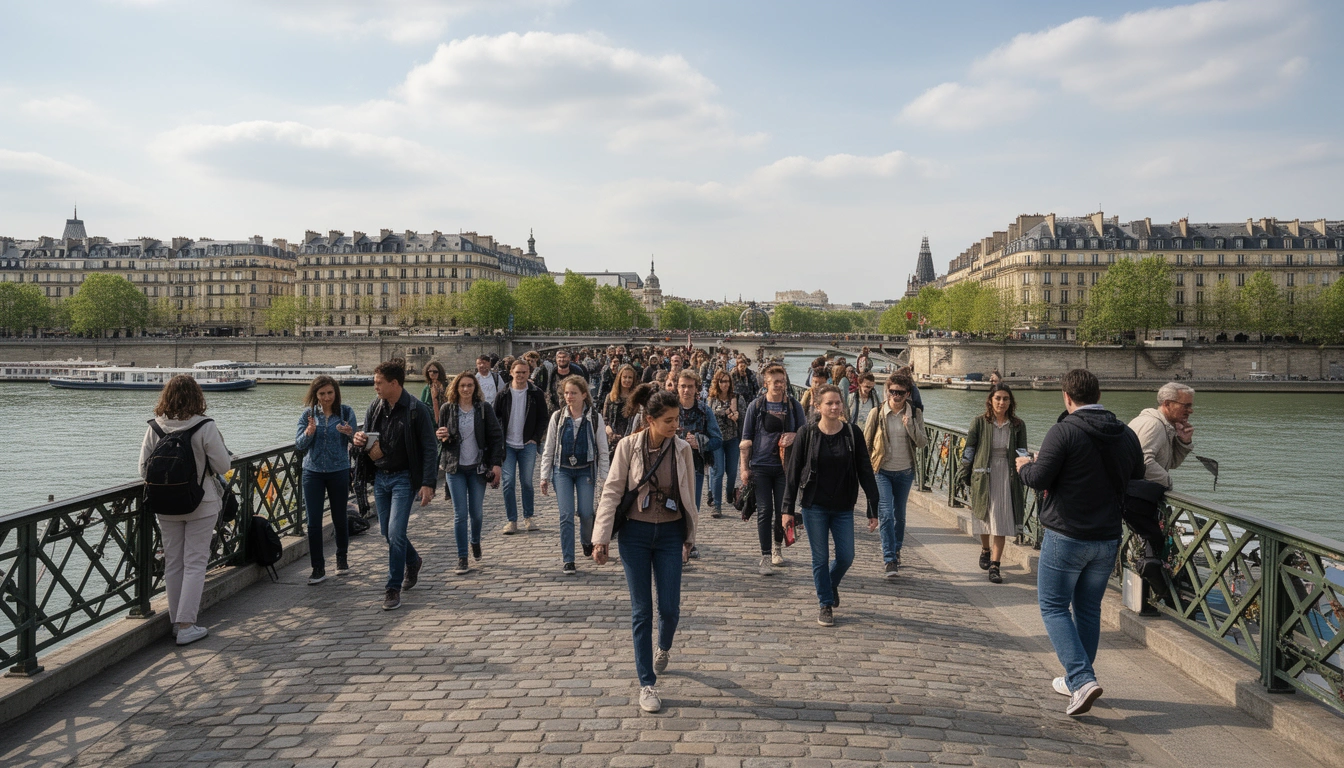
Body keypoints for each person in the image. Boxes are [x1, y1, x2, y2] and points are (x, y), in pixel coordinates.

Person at [1017, 368, 1143, 716]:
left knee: (1053, 607)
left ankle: (1081, 678)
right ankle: (1079, 681)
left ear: (1066, 397)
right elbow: (1137, 478)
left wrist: (1025, 466)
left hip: (1067, 534)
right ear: (1099, 396)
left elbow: (1040, 478)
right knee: (1087, 610)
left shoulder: (1064, 431)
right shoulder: (1126, 434)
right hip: (1107, 538)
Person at [592, 384, 698, 714]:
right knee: (642, 611)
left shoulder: (682, 450)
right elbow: (611, 492)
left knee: (669, 608)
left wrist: (689, 538)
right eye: (668, 420)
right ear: (650, 420)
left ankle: (664, 646)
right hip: (635, 535)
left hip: (669, 533)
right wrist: (601, 538)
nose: (675, 426)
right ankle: (646, 683)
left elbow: (690, 497)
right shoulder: (627, 447)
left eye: (677, 419)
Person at [139, 374, 231, 646]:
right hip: (201, 503)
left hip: (165, 505)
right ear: (197, 396)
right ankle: (187, 624)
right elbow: (223, 466)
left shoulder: (154, 427)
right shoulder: (205, 425)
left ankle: (175, 623)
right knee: (195, 563)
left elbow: (143, 469)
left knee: (174, 563)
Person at [782, 385, 879, 626]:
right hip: (814, 506)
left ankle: (829, 584)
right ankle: (825, 603)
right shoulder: (807, 433)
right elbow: (793, 474)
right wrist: (786, 510)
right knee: (820, 558)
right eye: (829, 403)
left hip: (843, 506)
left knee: (846, 556)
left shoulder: (852, 433)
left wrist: (872, 508)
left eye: (838, 402)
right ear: (818, 407)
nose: (835, 407)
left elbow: (865, 471)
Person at [353, 358, 438, 611]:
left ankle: (392, 587)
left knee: (396, 533)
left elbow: (430, 448)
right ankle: (413, 561)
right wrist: (359, 438)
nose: (375, 387)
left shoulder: (416, 409)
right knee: (386, 533)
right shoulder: (375, 407)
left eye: (379, 383)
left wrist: (427, 483)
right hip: (380, 477)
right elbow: (367, 438)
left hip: (403, 478)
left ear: (394, 383)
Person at [1127, 382, 1195, 595]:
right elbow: (1144, 463)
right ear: (1167, 403)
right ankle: (1158, 597)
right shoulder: (1153, 425)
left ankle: (1153, 595)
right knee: (1154, 550)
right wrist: (1167, 482)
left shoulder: (1163, 425)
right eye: (1186, 405)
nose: (1190, 411)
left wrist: (1183, 442)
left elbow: (1168, 462)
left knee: (1151, 549)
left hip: (1135, 498)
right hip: (1137, 499)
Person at [739, 363, 807, 575]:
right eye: (775, 381)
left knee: (782, 511)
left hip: (785, 467)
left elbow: (805, 434)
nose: (780, 385)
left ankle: (778, 548)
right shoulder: (756, 406)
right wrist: (744, 469)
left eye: (782, 380)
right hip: (760, 466)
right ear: (766, 383)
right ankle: (765, 556)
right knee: (764, 511)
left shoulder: (794, 406)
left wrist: (794, 436)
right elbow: (746, 439)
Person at [956, 385, 1028, 584]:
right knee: (985, 516)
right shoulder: (979, 423)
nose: (1001, 402)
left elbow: (1022, 451)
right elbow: (969, 449)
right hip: (984, 474)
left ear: (1010, 402)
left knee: (1001, 519)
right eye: (998, 398)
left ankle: (995, 566)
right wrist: (964, 472)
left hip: (1007, 475)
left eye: (1005, 399)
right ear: (990, 400)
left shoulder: (1018, 425)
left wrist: (1026, 472)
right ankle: (985, 549)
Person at [540, 375, 611, 573]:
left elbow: (602, 450)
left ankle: (586, 540)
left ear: (584, 395)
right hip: (562, 470)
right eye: (566, 393)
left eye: (573, 393)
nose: (569, 397)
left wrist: (604, 478)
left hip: (585, 469)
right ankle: (568, 558)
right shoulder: (558, 417)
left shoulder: (594, 418)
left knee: (587, 513)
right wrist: (544, 476)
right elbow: (549, 447)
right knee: (566, 514)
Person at [437, 370, 504, 576]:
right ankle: (462, 557)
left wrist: (496, 464)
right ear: (456, 388)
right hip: (454, 468)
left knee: (476, 513)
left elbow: (495, 437)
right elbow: (442, 435)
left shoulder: (483, 409)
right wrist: (441, 435)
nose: (466, 389)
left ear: (475, 388)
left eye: (470, 385)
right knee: (460, 515)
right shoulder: (447, 409)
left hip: (477, 468)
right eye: (462, 386)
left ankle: (475, 540)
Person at [862, 370, 926, 578]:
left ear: (908, 394)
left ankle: (897, 548)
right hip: (882, 471)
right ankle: (889, 559)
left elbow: (922, 442)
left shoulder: (915, 414)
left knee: (900, 516)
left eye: (900, 392)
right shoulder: (877, 413)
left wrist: (911, 427)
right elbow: (866, 442)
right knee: (886, 514)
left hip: (905, 471)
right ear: (887, 392)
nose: (895, 396)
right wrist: (864, 470)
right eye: (892, 392)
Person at [295, 375, 357, 585]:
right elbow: (300, 444)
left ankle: (342, 559)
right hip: (312, 472)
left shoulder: (346, 412)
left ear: (335, 393)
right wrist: (309, 432)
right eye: (322, 394)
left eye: (330, 393)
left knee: (339, 517)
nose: (326, 397)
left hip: (338, 470)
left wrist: (350, 433)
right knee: (313, 522)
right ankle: (318, 568)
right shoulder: (308, 415)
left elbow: (357, 441)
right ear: (316, 395)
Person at [494, 359, 548, 534]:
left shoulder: (535, 393)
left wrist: (535, 437)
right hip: (508, 444)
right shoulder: (503, 394)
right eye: (518, 372)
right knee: (508, 482)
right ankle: (512, 520)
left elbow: (543, 418)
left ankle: (528, 517)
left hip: (527, 444)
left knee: (526, 482)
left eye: (524, 372)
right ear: (511, 372)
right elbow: (495, 418)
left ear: (528, 373)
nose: (521, 375)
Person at [675, 370, 722, 524]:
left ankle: (690, 542)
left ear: (696, 389)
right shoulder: (670, 409)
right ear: (677, 387)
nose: (686, 390)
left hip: (696, 465)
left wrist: (701, 442)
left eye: (690, 386)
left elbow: (717, 439)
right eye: (683, 386)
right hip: (671, 463)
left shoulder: (704, 411)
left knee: (692, 506)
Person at [707, 370, 745, 518]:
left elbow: (743, 414)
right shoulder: (712, 399)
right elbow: (709, 415)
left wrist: (737, 415)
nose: (725, 384)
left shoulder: (737, 398)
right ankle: (716, 505)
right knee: (718, 472)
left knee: (732, 472)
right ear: (717, 383)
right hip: (716, 439)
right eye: (722, 381)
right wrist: (726, 411)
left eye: (727, 381)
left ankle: (729, 493)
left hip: (732, 438)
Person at [604, 364, 639, 459]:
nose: (627, 380)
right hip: (613, 439)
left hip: (631, 439)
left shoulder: (636, 398)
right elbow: (605, 419)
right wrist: (609, 431)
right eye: (625, 377)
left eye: (630, 377)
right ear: (619, 378)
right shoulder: (610, 397)